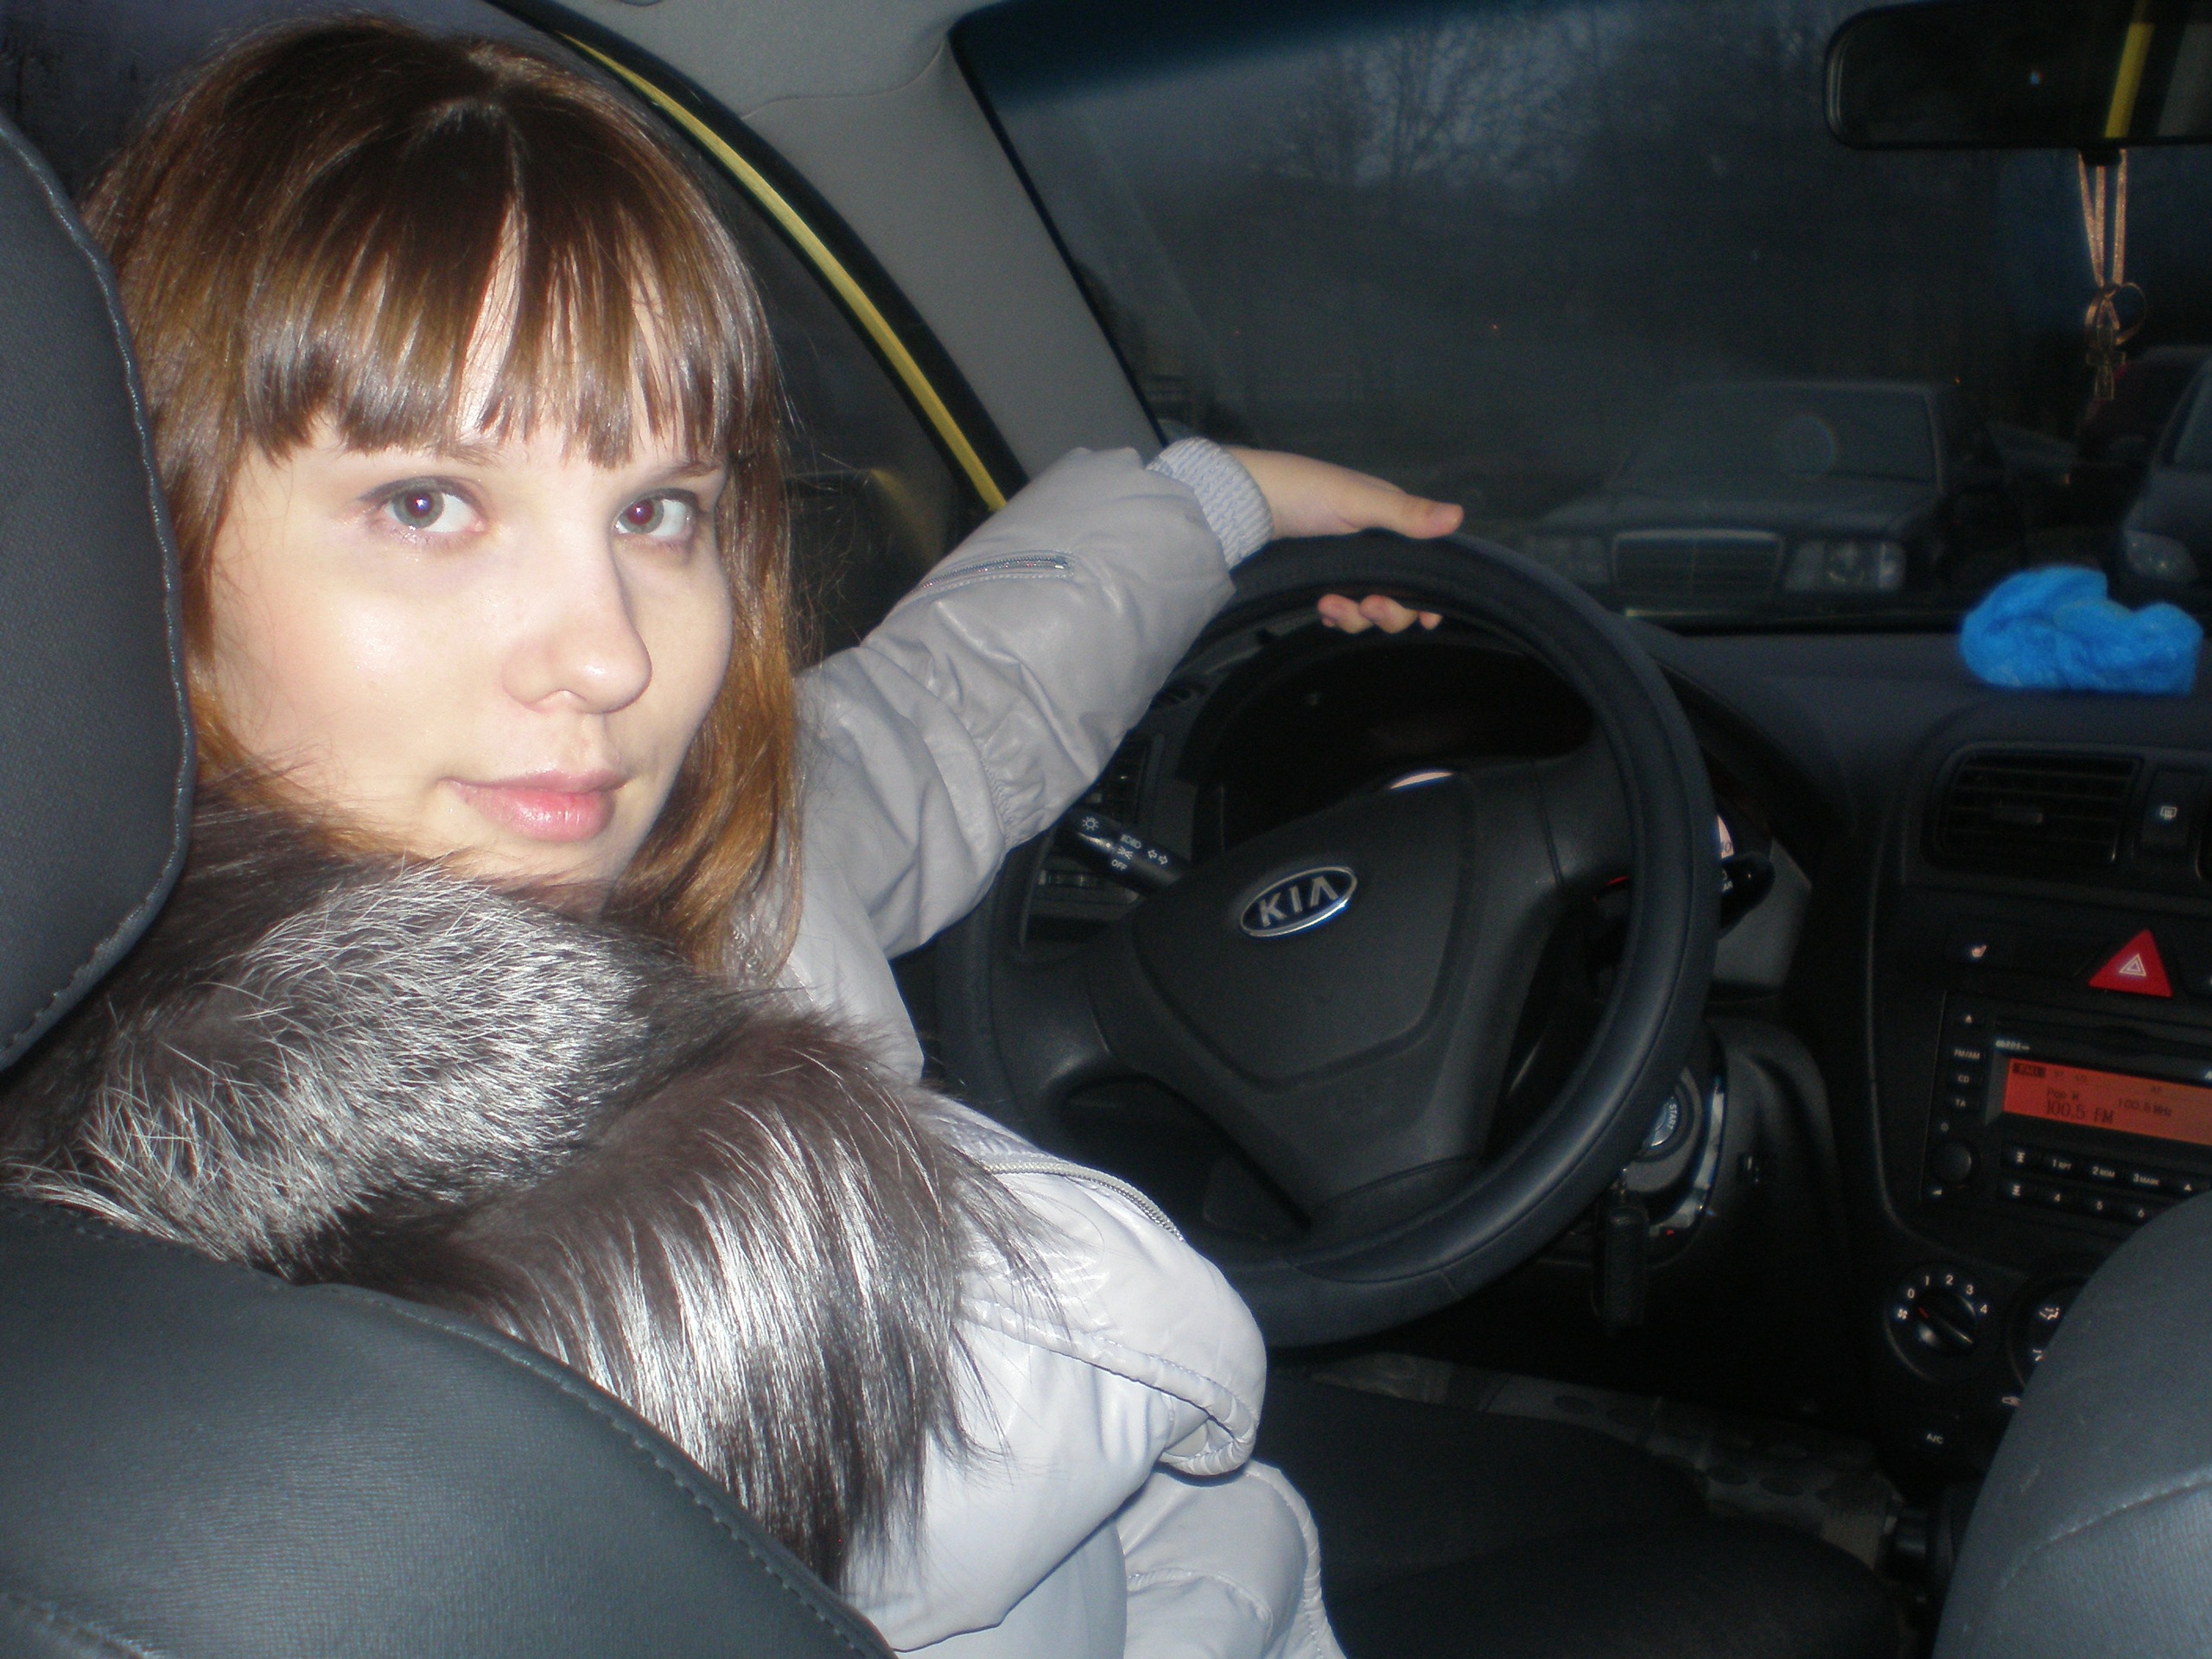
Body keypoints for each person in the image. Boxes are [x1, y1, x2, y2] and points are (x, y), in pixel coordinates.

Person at [27, 17, 1898, 1659]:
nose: (606, 656)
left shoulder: (615, 851)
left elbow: (911, 736)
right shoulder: (477, 1276)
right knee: (1796, 1600)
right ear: (142, 537)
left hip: (1166, 1565)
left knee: (1624, 1502)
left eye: (659, 511)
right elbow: (1118, 1356)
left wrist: (1209, 509)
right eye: (427, 503)